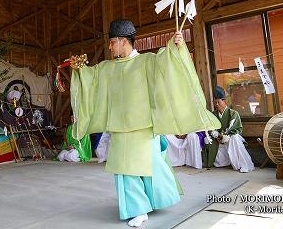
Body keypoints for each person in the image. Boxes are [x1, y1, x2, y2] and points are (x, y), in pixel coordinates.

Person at [70, 20, 221, 227]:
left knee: (138, 168)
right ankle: (144, 205)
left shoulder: (147, 61)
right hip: (120, 128)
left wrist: (175, 47)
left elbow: (167, 63)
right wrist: (79, 69)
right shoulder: (107, 68)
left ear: (123, 41)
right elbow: (91, 77)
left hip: (143, 127)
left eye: (112, 42)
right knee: (126, 169)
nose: (110, 47)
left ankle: (139, 209)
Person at [202, 86, 255, 173]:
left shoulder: (233, 113)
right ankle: (212, 162)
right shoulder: (213, 114)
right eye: (215, 103)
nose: (216, 105)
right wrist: (216, 135)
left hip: (230, 138)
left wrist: (225, 136)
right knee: (207, 139)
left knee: (235, 137)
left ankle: (242, 164)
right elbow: (210, 128)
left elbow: (237, 129)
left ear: (224, 101)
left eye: (218, 102)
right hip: (217, 139)